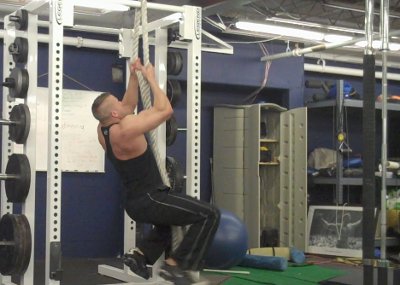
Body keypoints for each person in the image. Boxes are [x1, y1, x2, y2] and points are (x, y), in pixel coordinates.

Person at [91, 58, 220, 284]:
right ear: (114, 115)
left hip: (134, 202)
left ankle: (140, 256)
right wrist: (150, 77)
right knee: (209, 214)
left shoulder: (104, 130)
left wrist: (133, 77)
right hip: (151, 198)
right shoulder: (127, 128)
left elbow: (128, 107)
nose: (123, 103)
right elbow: (165, 109)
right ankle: (177, 266)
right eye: (118, 103)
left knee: (169, 221)